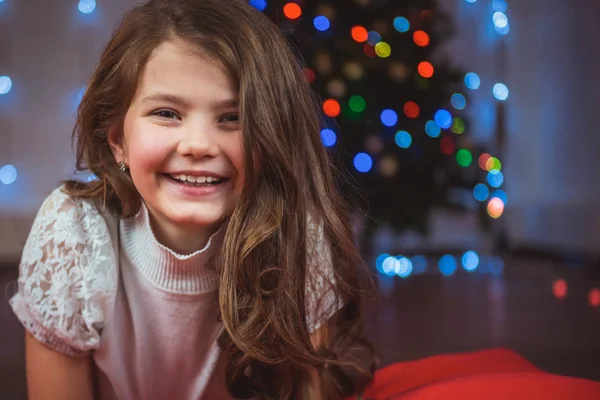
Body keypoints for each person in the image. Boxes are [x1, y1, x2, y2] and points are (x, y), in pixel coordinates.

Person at [8, 0, 377, 398]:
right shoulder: (73, 235)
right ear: (118, 140)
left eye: (233, 118)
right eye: (167, 113)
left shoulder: (296, 233)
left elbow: (308, 390)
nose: (199, 145)